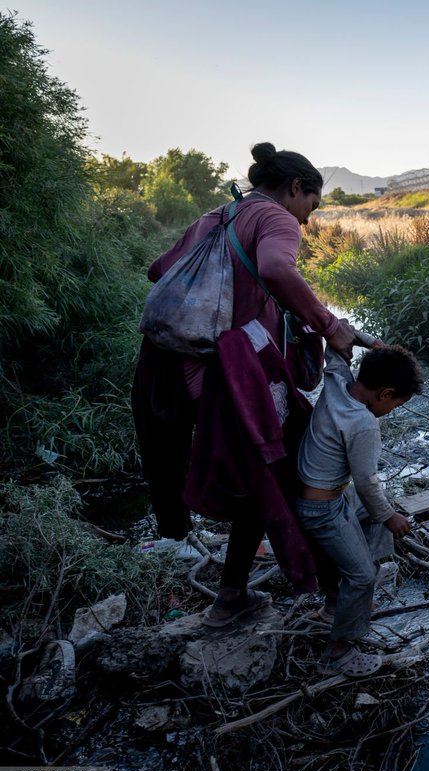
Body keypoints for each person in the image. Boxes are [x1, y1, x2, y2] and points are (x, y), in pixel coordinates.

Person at [132, 142, 357, 627]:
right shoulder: (273, 217)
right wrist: (328, 325)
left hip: (164, 370)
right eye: (310, 208)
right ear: (296, 188)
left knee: (262, 474)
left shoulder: (216, 215)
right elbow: (277, 268)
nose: (305, 223)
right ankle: (340, 597)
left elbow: (159, 270)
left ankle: (230, 596)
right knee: (296, 465)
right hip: (223, 376)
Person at [294, 339, 423, 677]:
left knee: (378, 512)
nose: (391, 411)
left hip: (326, 494)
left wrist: (375, 347)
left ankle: (347, 596)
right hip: (321, 509)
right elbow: (366, 484)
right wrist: (391, 517)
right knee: (362, 574)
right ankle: (339, 651)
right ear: (385, 393)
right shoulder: (364, 424)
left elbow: (336, 342)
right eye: (395, 404)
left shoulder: (337, 380)